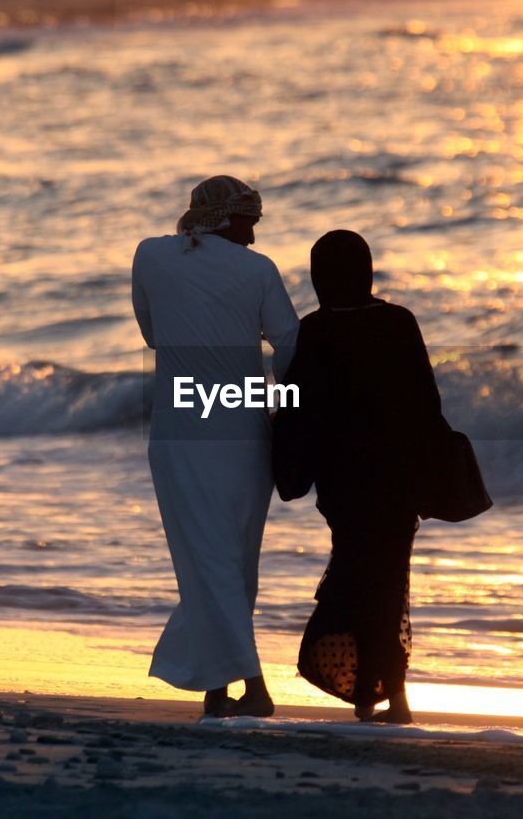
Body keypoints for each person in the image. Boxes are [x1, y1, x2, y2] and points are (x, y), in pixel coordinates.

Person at [131, 175, 299, 717]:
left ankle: (217, 688)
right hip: (242, 431)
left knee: (208, 559)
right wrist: (289, 404)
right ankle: (251, 685)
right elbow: (290, 342)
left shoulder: (151, 257)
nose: (253, 234)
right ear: (228, 218)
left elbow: (153, 334)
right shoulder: (259, 270)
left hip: (179, 432)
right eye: (249, 221)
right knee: (231, 558)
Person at [275, 229, 447, 724]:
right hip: (396, 482)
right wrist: (429, 473)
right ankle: (390, 696)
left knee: (357, 579)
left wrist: (290, 471)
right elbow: (425, 404)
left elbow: (298, 411)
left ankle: (378, 697)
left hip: (344, 485)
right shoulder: (398, 322)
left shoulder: (315, 331)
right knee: (388, 583)